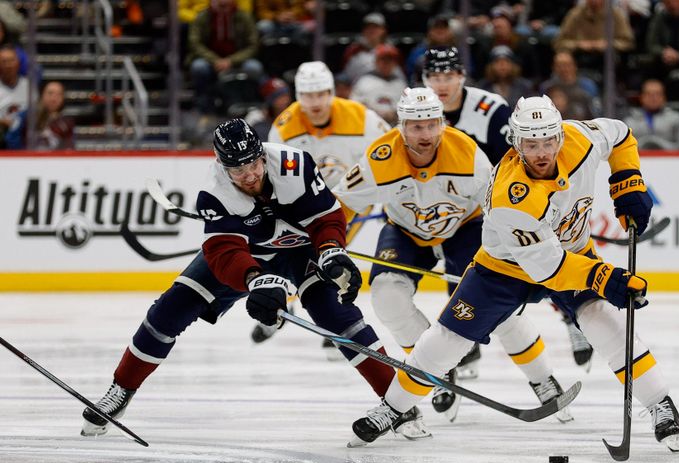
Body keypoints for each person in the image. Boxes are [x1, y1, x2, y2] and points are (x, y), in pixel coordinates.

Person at [349, 95, 679, 456]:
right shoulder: (511, 196)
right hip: (503, 269)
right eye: (531, 144)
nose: (542, 152)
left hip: (570, 254)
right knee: (445, 340)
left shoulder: (581, 138)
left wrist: (627, 179)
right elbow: (549, 269)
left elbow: (620, 135)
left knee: (602, 320)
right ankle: (393, 407)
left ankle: (660, 404)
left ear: (560, 135)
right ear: (516, 143)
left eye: (548, 141)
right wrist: (606, 278)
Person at [80, 119, 430, 442]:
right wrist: (256, 281)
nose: (248, 174)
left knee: (338, 317)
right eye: (237, 168)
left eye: (253, 163)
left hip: (300, 249)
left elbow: (326, 217)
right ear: (222, 166)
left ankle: (398, 405)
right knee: (168, 312)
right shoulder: (213, 193)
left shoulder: (295, 164)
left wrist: (331, 251)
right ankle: (121, 390)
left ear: (262, 154)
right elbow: (225, 253)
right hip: (249, 256)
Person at [332, 87, 563, 423]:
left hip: (466, 229)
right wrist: (328, 246)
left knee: (499, 307)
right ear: (400, 127)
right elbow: (337, 206)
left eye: (431, 124)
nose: (425, 134)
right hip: (406, 233)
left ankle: (543, 378)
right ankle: (434, 371)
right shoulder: (379, 158)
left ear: (442, 122)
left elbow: (500, 203)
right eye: (415, 126)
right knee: (386, 299)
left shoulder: (467, 153)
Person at [422, 45, 595, 379]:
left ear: (461, 76)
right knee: (467, 271)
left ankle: (570, 318)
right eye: (433, 76)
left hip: (500, 211)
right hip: (456, 210)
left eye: (448, 75)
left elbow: (524, 161)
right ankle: (466, 346)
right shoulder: (422, 116)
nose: (440, 84)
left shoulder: (489, 109)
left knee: (533, 265)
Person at [251, 61, 389, 345]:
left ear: (331, 91)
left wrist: (390, 204)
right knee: (298, 257)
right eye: (307, 95)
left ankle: (334, 315)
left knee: (326, 256)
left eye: (320, 93)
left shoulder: (362, 118)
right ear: (298, 95)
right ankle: (292, 305)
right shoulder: (284, 128)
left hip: (350, 204)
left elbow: (392, 155)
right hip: (305, 206)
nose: (315, 102)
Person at [185, 0, 264, 113]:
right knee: (198, 67)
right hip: (210, 60)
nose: (223, 3)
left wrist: (231, 61)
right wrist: (215, 60)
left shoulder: (244, 16)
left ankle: (250, 104)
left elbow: (253, 45)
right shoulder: (202, 17)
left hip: (237, 60)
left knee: (254, 67)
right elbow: (194, 43)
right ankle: (203, 102)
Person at [350, 43, 407, 126]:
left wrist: (395, 114)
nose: (386, 64)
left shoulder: (401, 84)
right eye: (383, 59)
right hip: (369, 127)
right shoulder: (363, 82)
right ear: (376, 61)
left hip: (396, 128)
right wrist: (373, 113)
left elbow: (409, 107)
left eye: (390, 60)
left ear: (395, 63)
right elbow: (354, 105)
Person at [624, 79, 679, 150]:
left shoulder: (677, 118)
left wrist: (657, 142)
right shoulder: (629, 122)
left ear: (664, 97)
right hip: (638, 160)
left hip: (670, 160)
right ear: (641, 97)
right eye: (649, 94)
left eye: (657, 94)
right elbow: (625, 148)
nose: (653, 98)